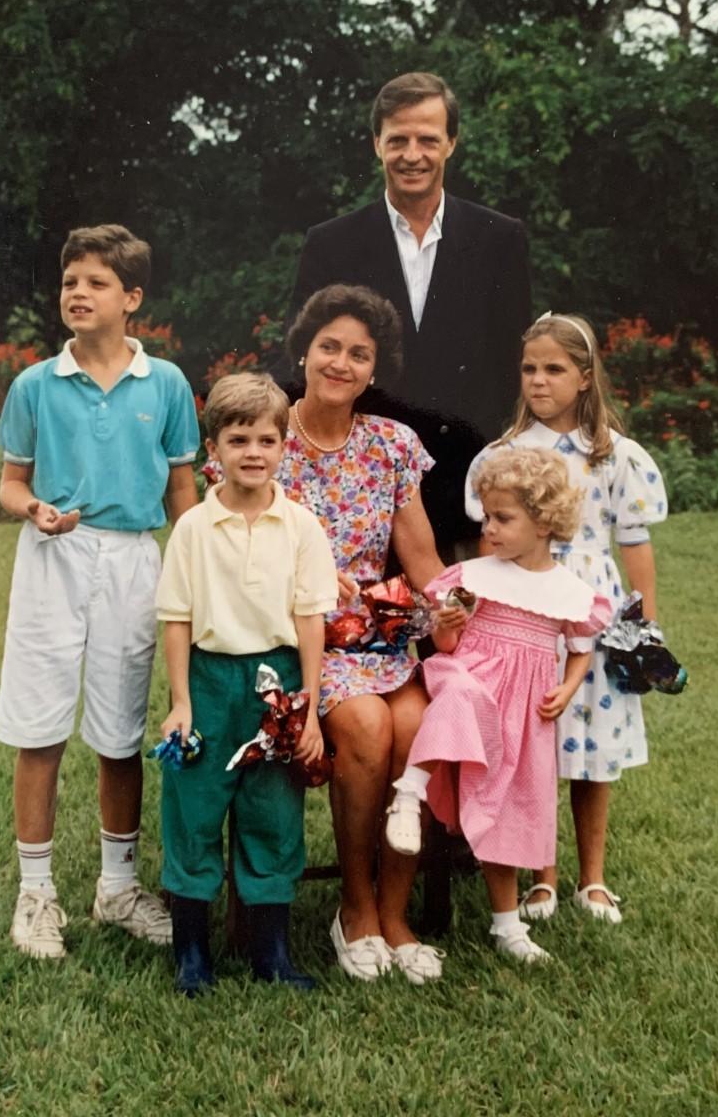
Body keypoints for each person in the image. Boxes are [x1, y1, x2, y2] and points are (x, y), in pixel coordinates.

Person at [214, 284, 447, 983]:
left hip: (380, 638)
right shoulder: (264, 434)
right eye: (329, 347)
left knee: (422, 729)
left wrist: (455, 613)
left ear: (374, 369)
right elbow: (231, 547)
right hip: (300, 642)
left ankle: (395, 912)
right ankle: (354, 908)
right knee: (371, 729)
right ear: (305, 352)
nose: (341, 363)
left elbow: (424, 558)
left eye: (359, 353)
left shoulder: (392, 445)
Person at [0, 223, 200, 959]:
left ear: (132, 298)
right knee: (39, 722)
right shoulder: (35, 385)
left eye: (96, 283)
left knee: (118, 731)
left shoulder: (166, 383)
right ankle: (36, 892)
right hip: (53, 558)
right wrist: (36, 510)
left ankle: (117, 888)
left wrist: (195, 565)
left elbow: (182, 485)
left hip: (133, 561)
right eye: (69, 282)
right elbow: (11, 483)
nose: (78, 294)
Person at [465, 312, 669, 924]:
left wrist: (645, 629)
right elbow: (490, 544)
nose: (539, 380)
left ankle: (593, 878)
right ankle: (541, 878)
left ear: (584, 378)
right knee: (536, 742)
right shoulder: (505, 455)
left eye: (554, 369)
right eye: (529, 368)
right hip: (527, 613)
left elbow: (635, 547)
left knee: (593, 750)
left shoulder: (614, 456)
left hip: (595, 614)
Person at [286, 71, 532, 555]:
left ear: (451, 143)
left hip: (469, 487)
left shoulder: (500, 239)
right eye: (398, 140)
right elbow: (298, 357)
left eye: (428, 139)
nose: (412, 155)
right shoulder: (331, 243)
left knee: (464, 630)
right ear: (377, 144)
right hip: (360, 494)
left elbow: (514, 362)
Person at [386, 448, 611, 964]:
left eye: (503, 518)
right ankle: (409, 792)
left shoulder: (568, 591)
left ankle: (507, 926)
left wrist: (570, 686)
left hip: (522, 713)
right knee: (461, 693)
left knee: (507, 812)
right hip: (465, 679)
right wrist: (445, 629)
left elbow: (580, 649)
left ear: (544, 522)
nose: (489, 529)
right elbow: (445, 650)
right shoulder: (474, 577)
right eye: (487, 516)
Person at [156, 372, 338, 994]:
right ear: (215, 450)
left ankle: (272, 954)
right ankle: (192, 954)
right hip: (209, 680)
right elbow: (176, 619)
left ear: (285, 447)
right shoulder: (192, 530)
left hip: (278, 686)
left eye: (267, 439)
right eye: (239, 440)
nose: (253, 452)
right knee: (195, 810)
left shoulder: (301, 528)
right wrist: (181, 703)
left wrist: (309, 709)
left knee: (273, 813)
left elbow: (310, 621)